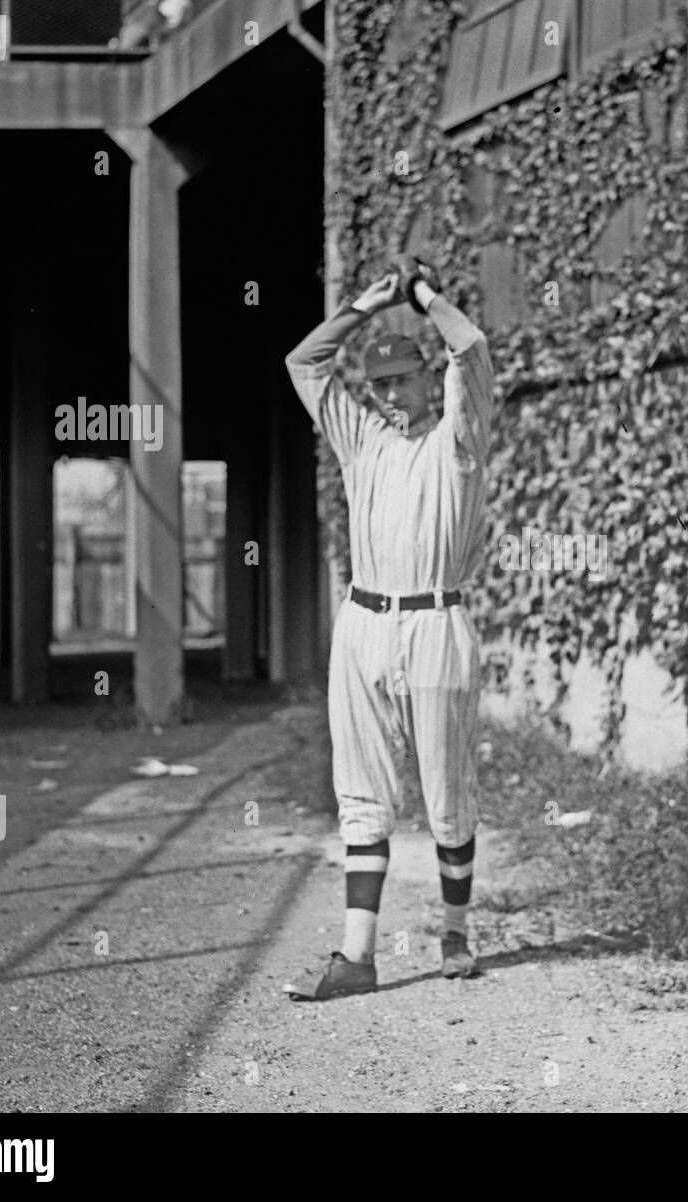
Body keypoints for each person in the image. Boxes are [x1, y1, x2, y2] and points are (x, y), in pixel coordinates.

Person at [281, 261, 496, 1000]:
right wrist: (366, 304)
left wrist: (424, 296)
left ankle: (457, 934)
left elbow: (471, 350)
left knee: (447, 793)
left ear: (426, 380)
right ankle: (356, 958)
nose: (389, 396)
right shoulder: (362, 440)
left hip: (438, 620)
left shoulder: (459, 439)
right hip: (364, 623)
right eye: (379, 386)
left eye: (402, 381)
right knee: (363, 794)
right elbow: (303, 362)